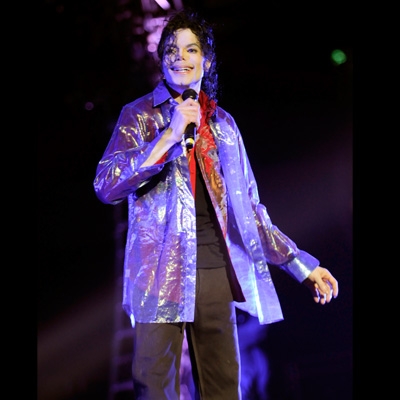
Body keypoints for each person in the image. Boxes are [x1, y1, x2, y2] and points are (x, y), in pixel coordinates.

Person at [93, 8, 339, 400]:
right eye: (171, 50)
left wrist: (300, 265)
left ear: (206, 61)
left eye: (190, 49)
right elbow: (107, 185)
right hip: (157, 275)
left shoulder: (223, 125)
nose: (180, 57)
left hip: (214, 273)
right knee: (154, 388)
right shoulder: (138, 115)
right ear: (161, 60)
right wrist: (169, 137)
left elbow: (251, 211)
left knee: (223, 388)